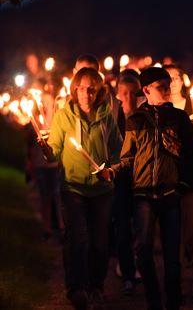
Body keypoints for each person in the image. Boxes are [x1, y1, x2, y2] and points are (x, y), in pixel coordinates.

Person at [106, 67, 193, 310]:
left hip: (170, 193)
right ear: (147, 90)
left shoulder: (179, 119)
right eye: (162, 87)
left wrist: (184, 183)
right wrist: (113, 172)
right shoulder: (135, 120)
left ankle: (173, 302)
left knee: (172, 257)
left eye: (169, 86)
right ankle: (154, 300)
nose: (168, 91)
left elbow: (191, 156)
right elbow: (128, 159)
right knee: (144, 252)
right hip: (143, 196)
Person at [43, 67, 122, 310]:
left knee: (100, 243)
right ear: (74, 89)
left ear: (98, 91)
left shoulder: (106, 116)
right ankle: (76, 289)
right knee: (77, 239)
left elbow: (118, 152)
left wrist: (112, 170)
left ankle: (95, 286)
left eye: (91, 89)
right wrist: (46, 150)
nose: (86, 93)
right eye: (81, 88)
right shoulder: (63, 116)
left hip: (101, 191)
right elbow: (54, 151)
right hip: (73, 188)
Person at [164, 64, 193, 299]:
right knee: (172, 234)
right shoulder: (159, 109)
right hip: (168, 180)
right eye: (167, 78)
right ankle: (176, 282)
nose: (172, 82)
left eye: (175, 77)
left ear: (182, 81)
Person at [113, 73, 141, 294]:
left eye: (134, 93)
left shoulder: (145, 117)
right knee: (122, 228)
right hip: (120, 182)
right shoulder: (113, 119)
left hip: (141, 181)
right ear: (117, 95)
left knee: (142, 229)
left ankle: (140, 267)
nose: (129, 98)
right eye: (125, 94)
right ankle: (128, 273)